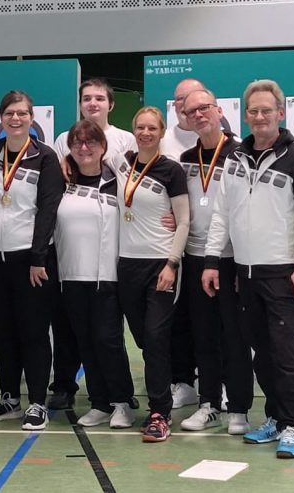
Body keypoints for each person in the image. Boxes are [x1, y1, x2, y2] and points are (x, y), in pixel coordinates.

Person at [203, 79, 294, 459]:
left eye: (266, 110)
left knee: (285, 353)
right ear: (246, 115)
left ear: (280, 113)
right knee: (262, 353)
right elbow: (222, 214)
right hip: (246, 274)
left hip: (284, 274)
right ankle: (275, 417)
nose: (259, 117)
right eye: (253, 111)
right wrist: (211, 260)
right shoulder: (234, 158)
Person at [0, 91, 64, 430]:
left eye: (22, 113)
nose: (16, 119)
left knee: (34, 332)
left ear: (31, 118)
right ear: (0, 118)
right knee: (3, 331)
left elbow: (48, 210)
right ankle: (10, 398)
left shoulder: (45, 157)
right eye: (10, 113)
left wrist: (39, 257)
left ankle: (37, 401)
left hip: (31, 260)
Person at [49, 77, 137, 411]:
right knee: (77, 336)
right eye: (87, 98)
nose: (93, 103)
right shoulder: (63, 148)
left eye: (99, 98)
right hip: (71, 270)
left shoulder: (124, 146)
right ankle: (86, 395)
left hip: (109, 272)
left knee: (108, 337)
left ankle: (120, 397)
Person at [177, 90, 253, 435]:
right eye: (191, 111)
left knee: (235, 336)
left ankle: (238, 408)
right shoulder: (185, 158)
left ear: (219, 110)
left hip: (231, 258)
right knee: (203, 335)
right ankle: (208, 404)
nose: (198, 114)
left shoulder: (241, 154)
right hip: (196, 257)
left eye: (204, 108)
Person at [112, 107, 190, 443]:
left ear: (161, 132)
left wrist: (172, 263)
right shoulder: (120, 163)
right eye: (140, 127)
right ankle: (166, 388)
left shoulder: (171, 169)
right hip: (127, 264)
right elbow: (84, 156)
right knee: (144, 340)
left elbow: (183, 221)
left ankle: (160, 412)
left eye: (152, 128)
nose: (145, 133)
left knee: (156, 338)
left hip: (161, 263)